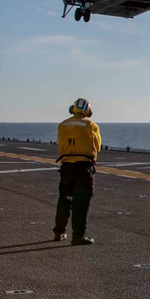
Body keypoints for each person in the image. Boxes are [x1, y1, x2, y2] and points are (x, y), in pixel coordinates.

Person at [54, 98, 101, 246]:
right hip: (83, 168)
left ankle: (59, 232)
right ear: (88, 110)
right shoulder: (91, 125)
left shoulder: (63, 125)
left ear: (72, 109)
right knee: (81, 203)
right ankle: (78, 236)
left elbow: (60, 143)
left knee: (64, 200)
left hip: (67, 166)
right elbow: (97, 146)